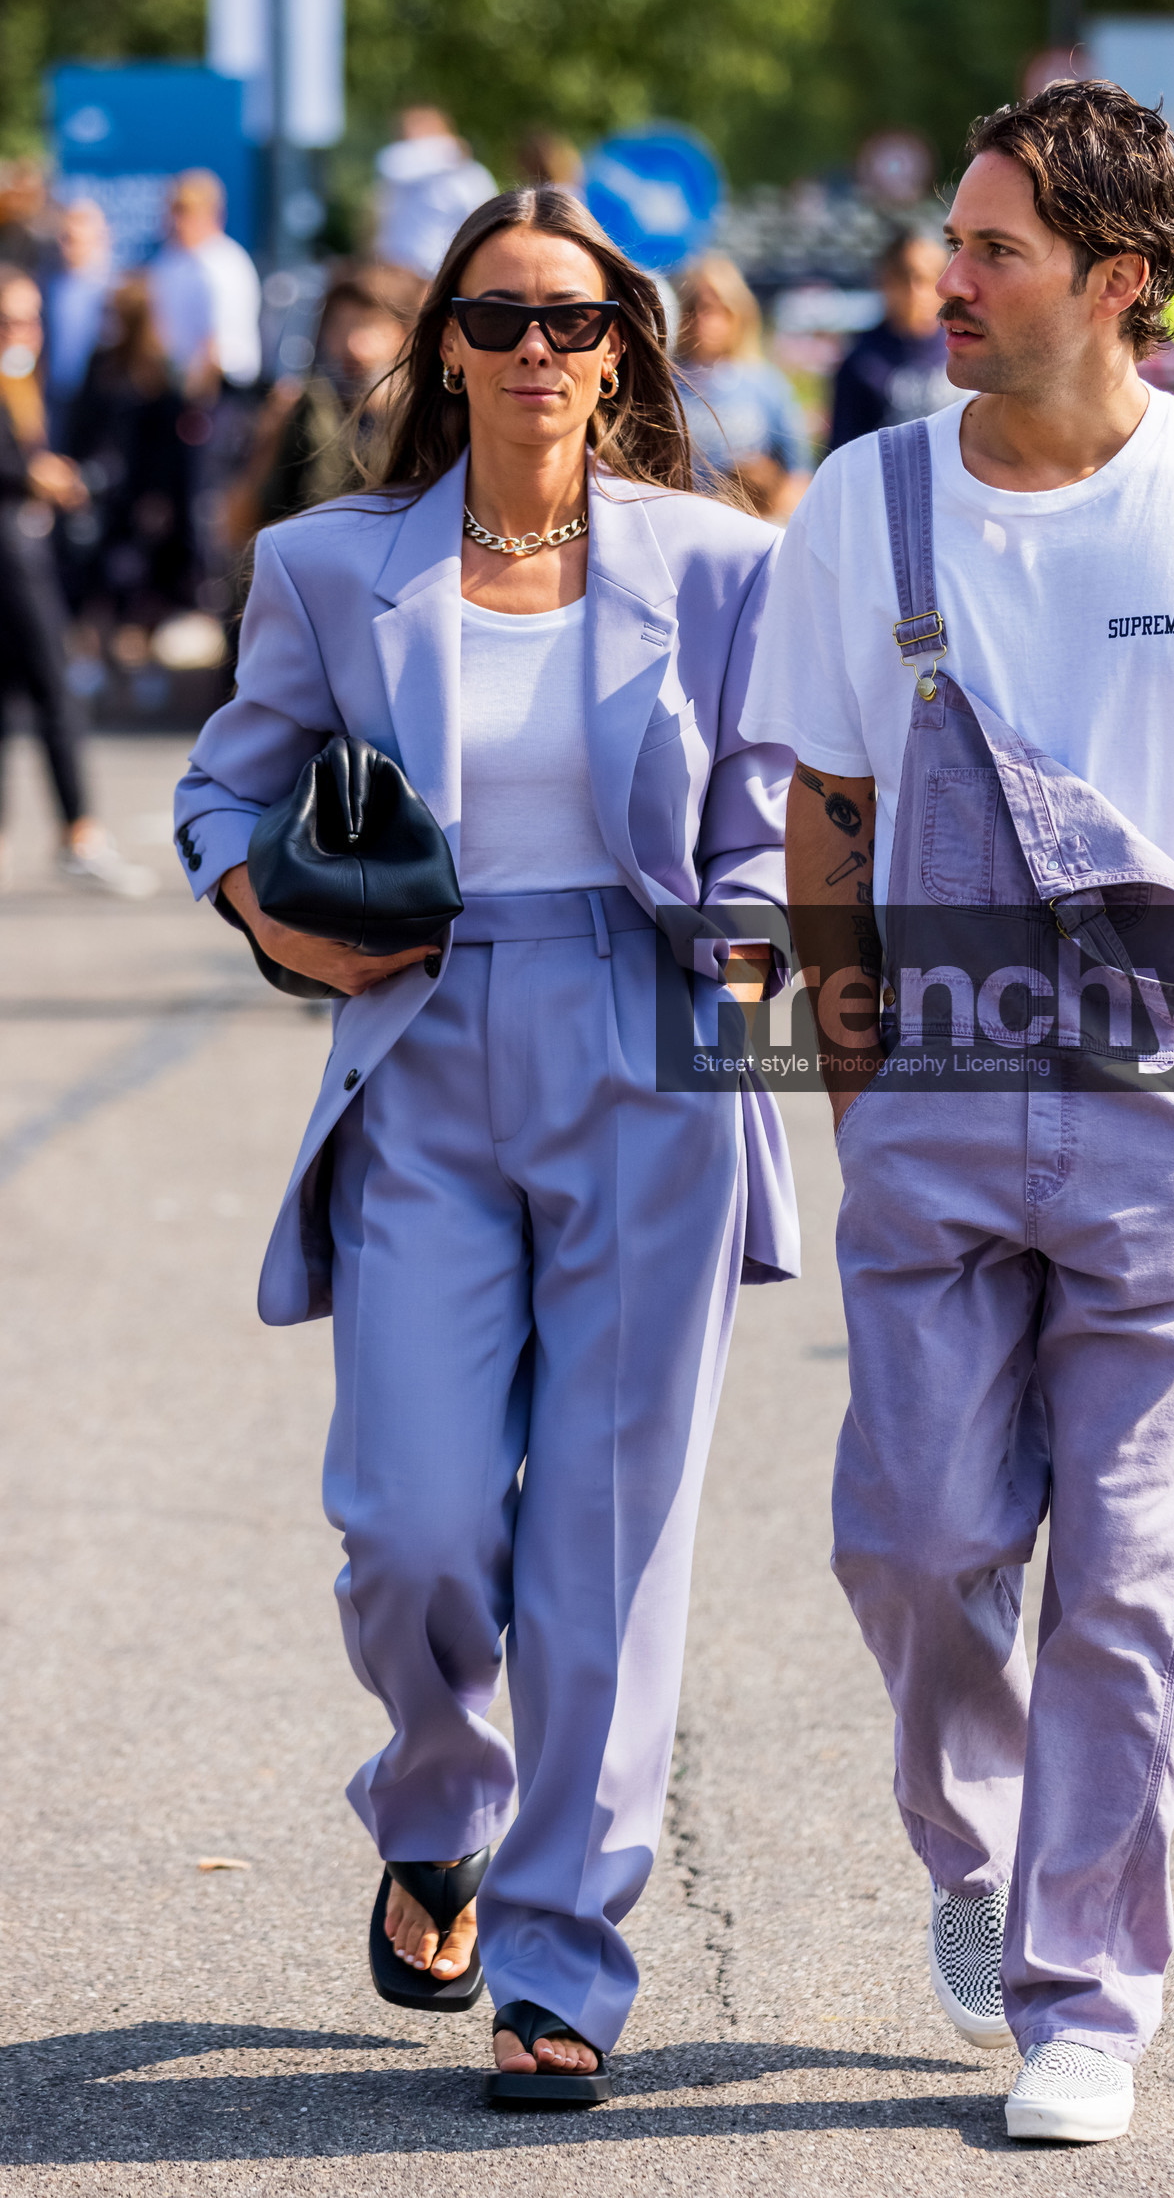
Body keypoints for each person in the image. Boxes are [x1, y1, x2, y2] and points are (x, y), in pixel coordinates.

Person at [740, 80, 1174, 2145]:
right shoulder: (862, 504)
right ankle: (976, 1851)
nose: (945, 277)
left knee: (1132, 1573)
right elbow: (826, 806)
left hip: (1162, 1114)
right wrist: (852, 1062)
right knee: (919, 1538)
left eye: (994, 249)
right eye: (954, 238)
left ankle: (1084, 1984)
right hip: (930, 1102)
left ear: (1117, 282)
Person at [173, 183, 797, 2098]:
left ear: (626, 349)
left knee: (607, 1539)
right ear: (442, 339)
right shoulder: (329, 564)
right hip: (420, 1039)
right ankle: (435, 1798)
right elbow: (223, 786)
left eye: (578, 320)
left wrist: (759, 952)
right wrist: (268, 915)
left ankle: (562, 1958)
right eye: (504, 316)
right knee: (416, 1518)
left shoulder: (715, 561)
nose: (540, 350)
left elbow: (765, 813)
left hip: (644, 1034)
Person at [0, 269, 156, 896]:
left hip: (24, 546)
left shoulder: (24, 380)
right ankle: (79, 834)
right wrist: (33, 477)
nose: (22, 332)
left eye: (30, 318)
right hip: (11, 551)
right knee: (53, 686)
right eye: (8, 320)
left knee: (15, 695)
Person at [223, 260, 425, 545]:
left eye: (370, 328)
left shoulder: (421, 423)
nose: (352, 345)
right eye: (341, 328)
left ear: (403, 335)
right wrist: (268, 438)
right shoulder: (304, 410)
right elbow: (237, 526)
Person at [67, 274, 197, 630]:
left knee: (140, 583)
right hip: (102, 491)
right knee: (95, 579)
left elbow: (172, 445)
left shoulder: (162, 370)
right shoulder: (100, 362)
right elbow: (82, 423)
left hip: (141, 494)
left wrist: (159, 496)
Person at [675, 254, 810, 519]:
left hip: (751, 525)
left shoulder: (765, 384)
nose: (705, 319)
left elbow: (798, 475)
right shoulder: (666, 386)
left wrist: (767, 493)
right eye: (695, 307)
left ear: (738, 313)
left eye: (717, 308)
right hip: (683, 522)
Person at [828, 228, 958, 450]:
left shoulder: (967, 347)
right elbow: (844, 449)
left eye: (927, 279)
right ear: (885, 281)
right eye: (904, 278)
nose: (915, 291)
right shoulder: (862, 362)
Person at [146, 171, 262, 397]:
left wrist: (196, 398)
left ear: (214, 214)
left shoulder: (226, 264)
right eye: (175, 210)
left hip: (224, 391)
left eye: (187, 211)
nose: (177, 221)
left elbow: (216, 348)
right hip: (176, 388)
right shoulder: (168, 260)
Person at [373, 108, 498, 280]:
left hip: (442, 270)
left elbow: (484, 220)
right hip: (398, 270)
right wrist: (449, 151)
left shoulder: (471, 175)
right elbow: (391, 162)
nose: (413, 143)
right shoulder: (402, 170)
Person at [43, 200, 114, 447]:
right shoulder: (47, 285)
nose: (69, 246)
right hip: (54, 395)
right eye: (65, 237)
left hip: (99, 399)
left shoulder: (112, 290)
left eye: (76, 239)